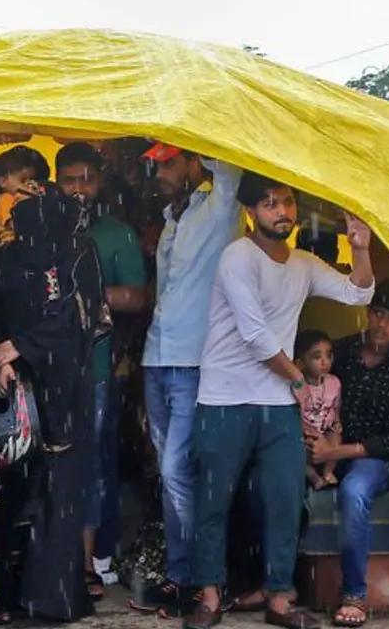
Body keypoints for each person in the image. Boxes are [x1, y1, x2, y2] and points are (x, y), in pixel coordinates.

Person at [186, 172, 374, 629]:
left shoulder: (304, 265)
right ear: (251, 213)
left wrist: (362, 247)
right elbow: (254, 335)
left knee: (286, 498)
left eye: (286, 202)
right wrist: (299, 381)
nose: (281, 211)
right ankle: (208, 595)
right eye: (269, 204)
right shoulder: (238, 257)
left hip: (275, 403)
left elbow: (359, 292)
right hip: (225, 396)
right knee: (214, 498)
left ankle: (278, 598)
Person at [0, 181, 103, 625]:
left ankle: (53, 597)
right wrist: (1, 359)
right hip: (17, 393)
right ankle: (8, 595)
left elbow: (79, 316)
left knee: (62, 495)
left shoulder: (77, 253)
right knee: (13, 490)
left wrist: (23, 344)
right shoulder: (7, 260)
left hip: (65, 388)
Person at [133, 143, 242, 616]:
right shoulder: (173, 216)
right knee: (170, 471)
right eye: (158, 164)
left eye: (171, 162)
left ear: (196, 162)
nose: (160, 171)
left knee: (179, 471)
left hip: (194, 363)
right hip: (157, 357)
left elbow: (232, 169)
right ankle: (189, 576)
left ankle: (192, 579)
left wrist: (199, 138)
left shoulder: (220, 206)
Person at [54, 141, 147, 597]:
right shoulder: (44, 230)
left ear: (100, 182)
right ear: (56, 184)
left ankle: (92, 559)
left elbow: (137, 297)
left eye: (85, 179)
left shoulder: (119, 234)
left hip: (96, 366)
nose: (78, 189)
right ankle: (55, 557)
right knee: (50, 461)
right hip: (47, 366)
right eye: (69, 180)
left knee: (91, 460)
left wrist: (88, 293)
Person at [305, 280, 389, 628]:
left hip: (376, 461)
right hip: (326, 450)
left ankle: (354, 593)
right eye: (378, 314)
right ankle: (278, 586)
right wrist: (313, 438)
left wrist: (335, 450)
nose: (382, 325)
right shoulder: (338, 353)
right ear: (368, 314)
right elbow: (308, 391)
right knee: (277, 475)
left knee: (354, 491)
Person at [293, 330, 342, 490]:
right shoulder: (298, 386)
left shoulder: (334, 382)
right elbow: (295, 417)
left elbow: (336, 407)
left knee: (336, 437)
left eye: (329, 355)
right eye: (317, 357)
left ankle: (328, 472)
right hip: (305, 433)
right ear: (300, 363)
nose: (325, 361)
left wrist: (337, 423)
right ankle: (313, 476)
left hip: (325, 429)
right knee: (294, 450)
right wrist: (308, 432)